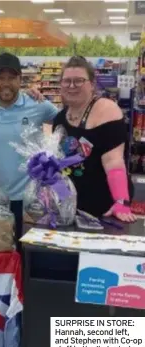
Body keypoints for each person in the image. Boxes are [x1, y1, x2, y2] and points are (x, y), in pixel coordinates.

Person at [0, 52, 59, 243]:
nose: (6, 83)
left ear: (21, 80)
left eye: (12, 78)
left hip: (32, 197)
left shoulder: (39, 105)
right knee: (1, 249)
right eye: (0, 78)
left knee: (29, 254)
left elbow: (66, 122)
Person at [53, 56, 136, 223]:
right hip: (72, 209)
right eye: (67, 81)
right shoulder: (60, 118)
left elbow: (114, 162)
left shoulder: (106, 109)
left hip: (105, 209)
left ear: (92, 84)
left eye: (78, 81)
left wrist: (121, 202)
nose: (71, 86)